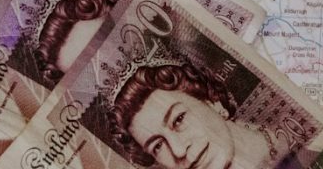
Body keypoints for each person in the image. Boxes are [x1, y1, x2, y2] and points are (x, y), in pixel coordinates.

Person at [108, 61, 274, 169]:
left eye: (178, 119)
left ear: (212, 100)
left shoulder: (285, 138)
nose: (179, 151)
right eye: (157, 146)